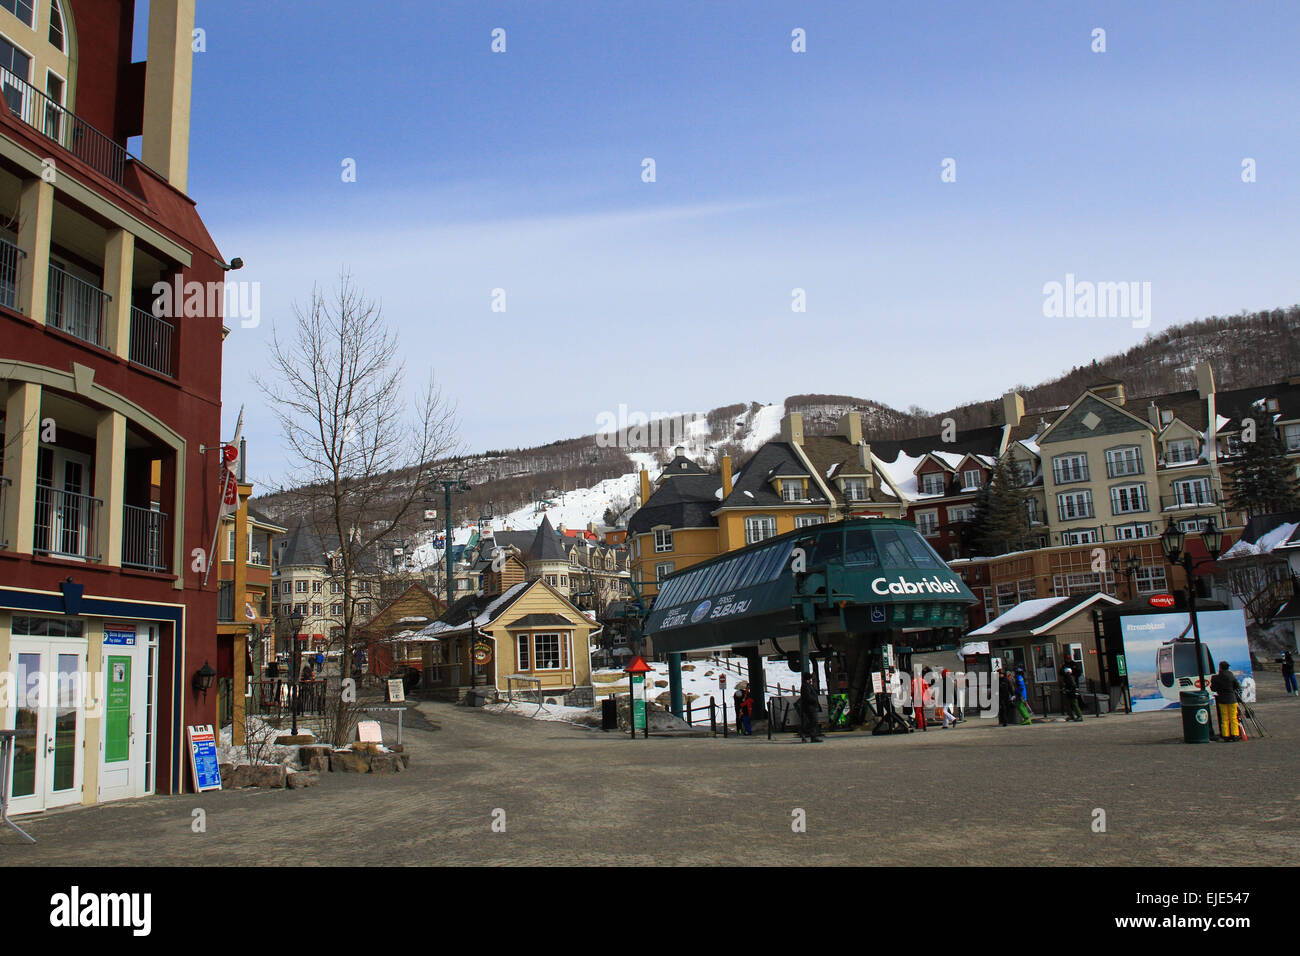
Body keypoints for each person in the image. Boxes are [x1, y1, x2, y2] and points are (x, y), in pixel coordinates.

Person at [1209, 661, 1241, 742]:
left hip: (1222, 699)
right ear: (1227, 667)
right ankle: (1235, 735)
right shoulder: (1231, 675)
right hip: (1232, 699)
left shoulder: (1216, 677)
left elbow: (1213, 688)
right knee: (1233, 717)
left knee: (1224, 718)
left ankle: (1225, 735)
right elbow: (1237, 686)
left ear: (1220, 667)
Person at [798, 676, 823, 742]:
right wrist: (814, 700)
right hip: (809, 706)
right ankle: (806, 733)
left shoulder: (808, 685)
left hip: (810, 706)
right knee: (813, 721)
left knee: (812, 721)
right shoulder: (805, 686)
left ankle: (811, 735)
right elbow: (808, 696)